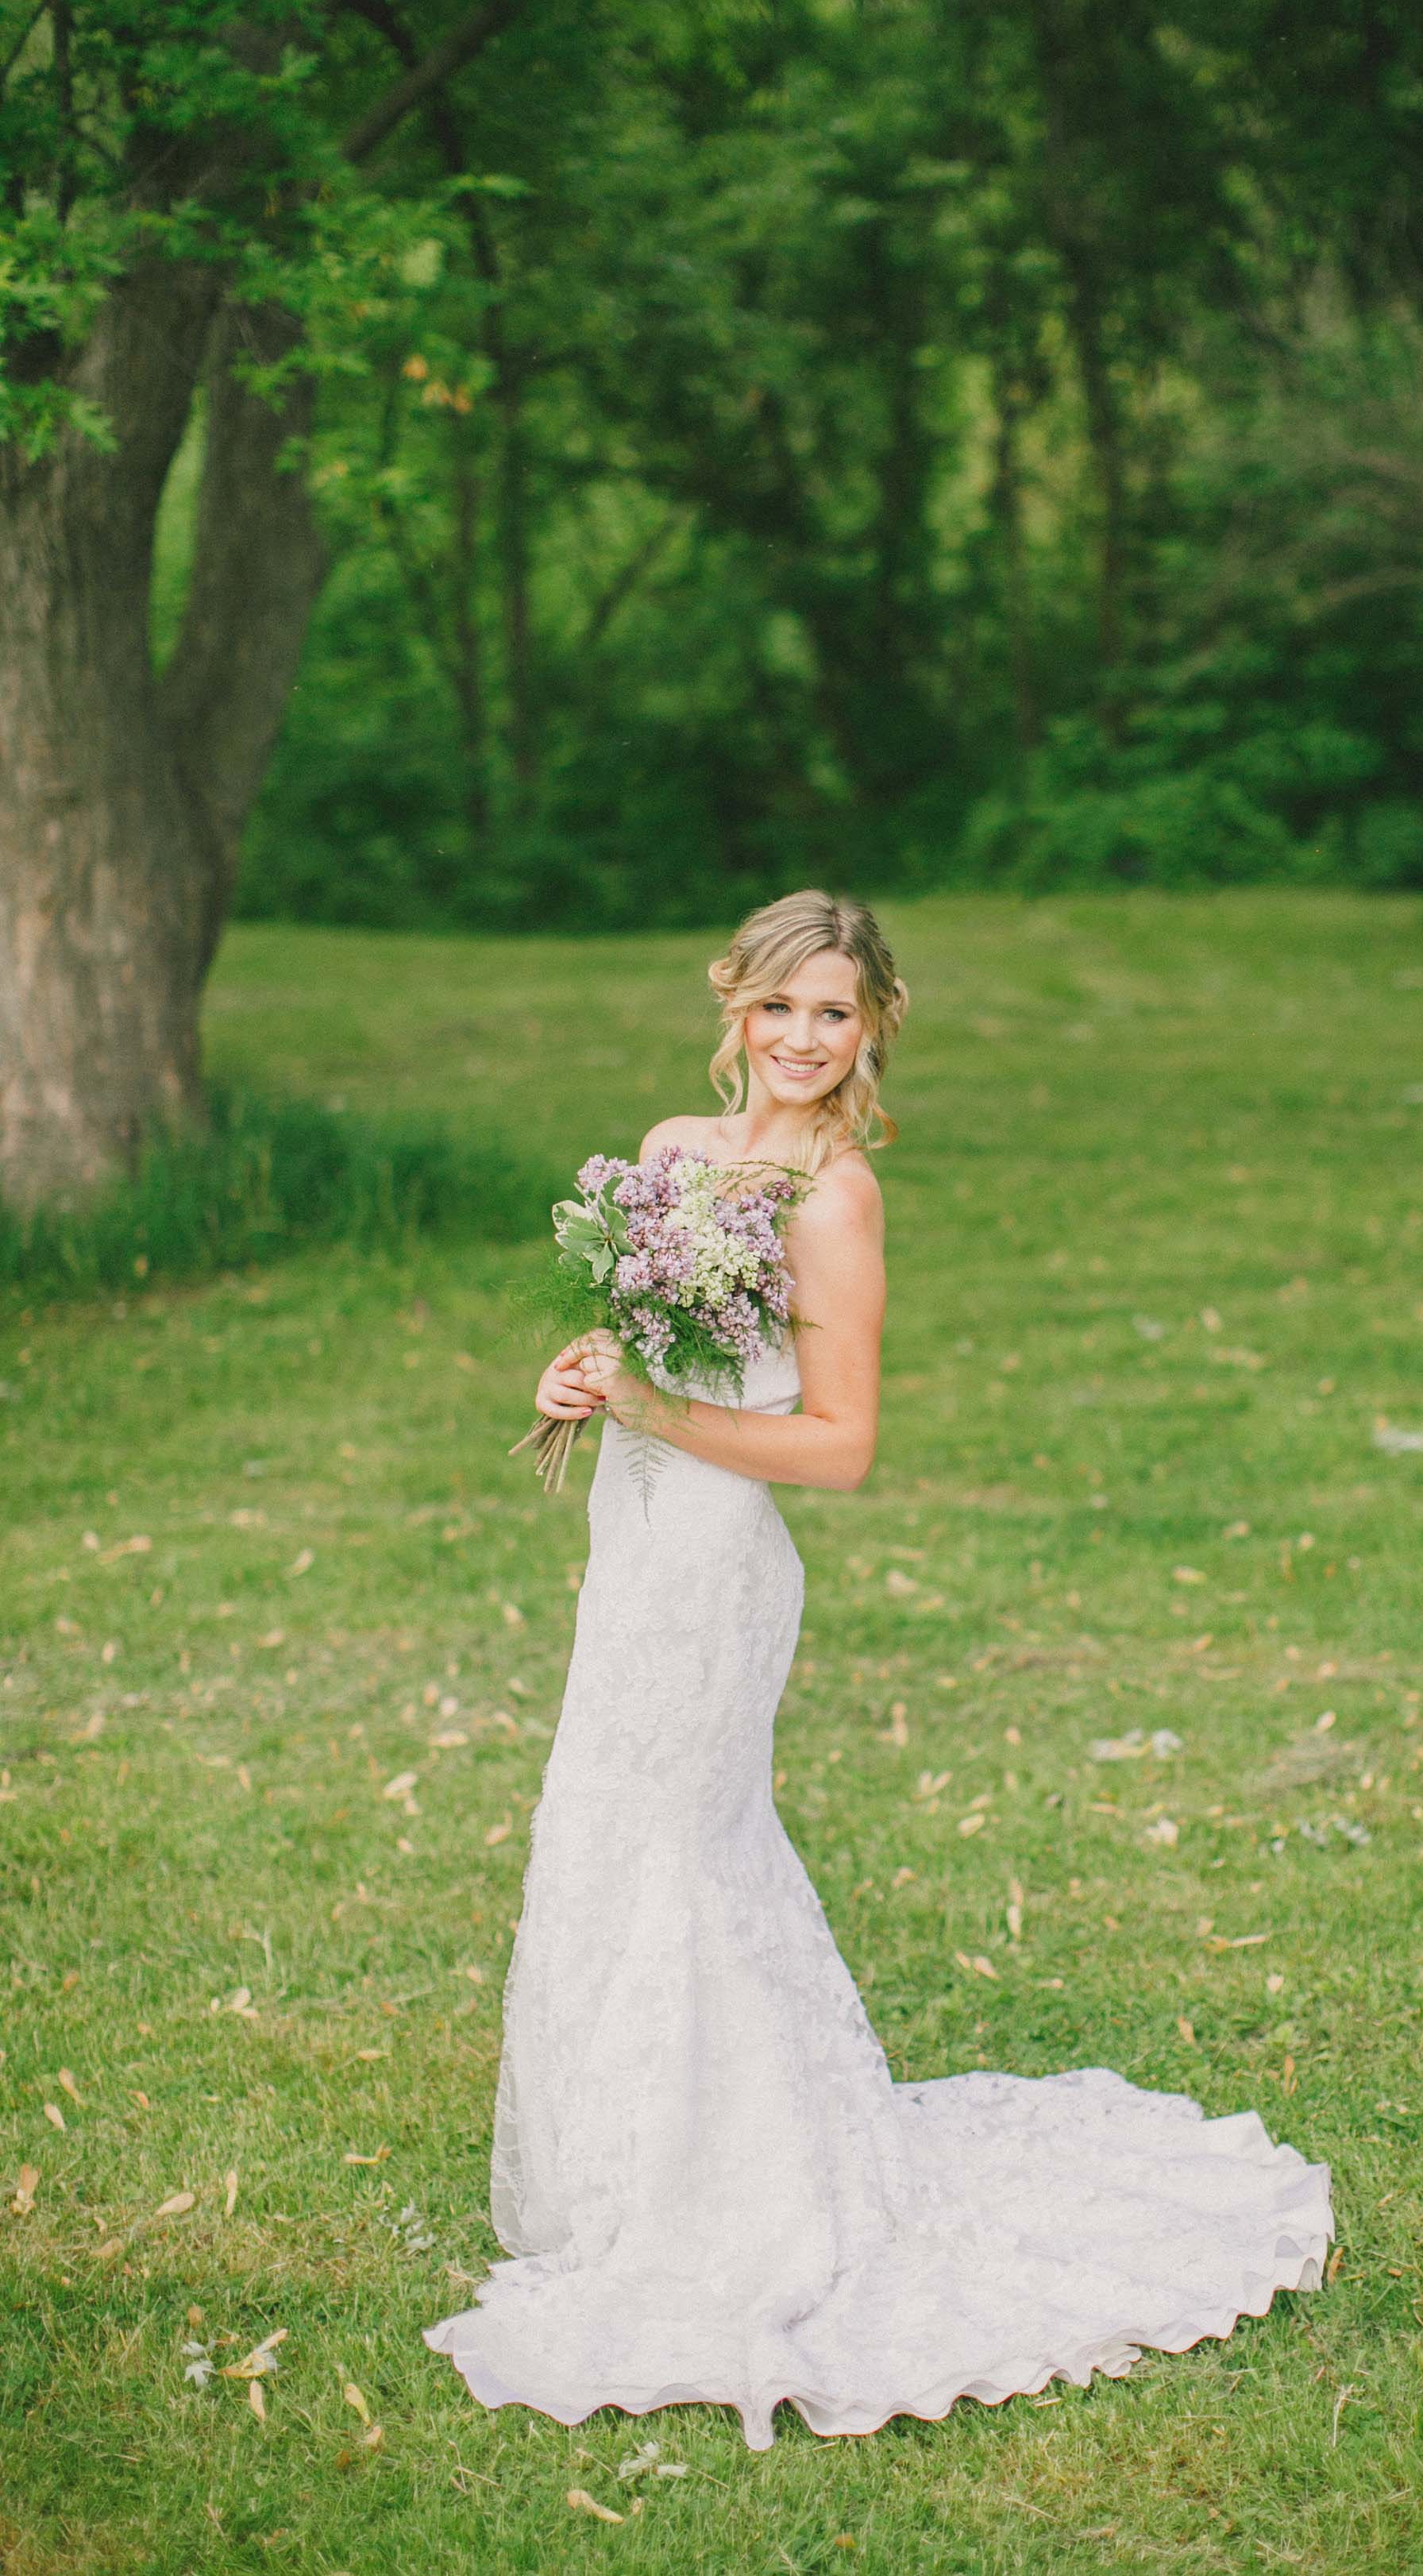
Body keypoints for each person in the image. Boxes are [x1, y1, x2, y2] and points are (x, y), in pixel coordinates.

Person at [426, 889, 1331, 2448]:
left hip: (716, 1563)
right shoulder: (668, 1152)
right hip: (634, 1548)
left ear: (872, 1027)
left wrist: (655, 1411)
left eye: (832, 1011)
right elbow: (645, 1342)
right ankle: (618, 2180)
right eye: (778, 1004)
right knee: (603, 1833)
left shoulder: (837, 1200)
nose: (800, 1036)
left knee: (679, 1848)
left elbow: (840, 1445)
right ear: (734, 1003)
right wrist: (581, 1374)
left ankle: (729, 2199)